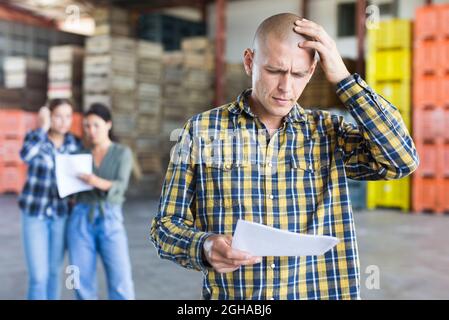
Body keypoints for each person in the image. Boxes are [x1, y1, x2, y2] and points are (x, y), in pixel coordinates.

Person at [150, 13, 419, 300]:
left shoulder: (328, 133)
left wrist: (344, 79)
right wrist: (203, 246)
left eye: (299, 74)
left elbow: (401, 159)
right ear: (249, 61)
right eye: (275, 70)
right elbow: (165, 226)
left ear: (313, 70)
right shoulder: (202, 131)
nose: (286, 88)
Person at [67, 103, 135, 300]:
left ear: (108, 124)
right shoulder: (79, 155)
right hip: (80, 218)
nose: (91, 131)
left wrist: (93, 181)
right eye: (87, 126)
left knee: (121, 281)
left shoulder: (122, 153)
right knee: (81, 282)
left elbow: (120, 186)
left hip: (110, 217)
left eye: (96, 125)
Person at [19, 99, 82, 300]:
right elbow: (25, 155)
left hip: (60, 215)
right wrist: (42, 127)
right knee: (39, 275)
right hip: (35, 214)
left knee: (55, 272)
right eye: (58, 116)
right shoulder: (35, 137)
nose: (64, 121)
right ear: (49, 116)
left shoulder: (74, 143)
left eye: (68, 116)